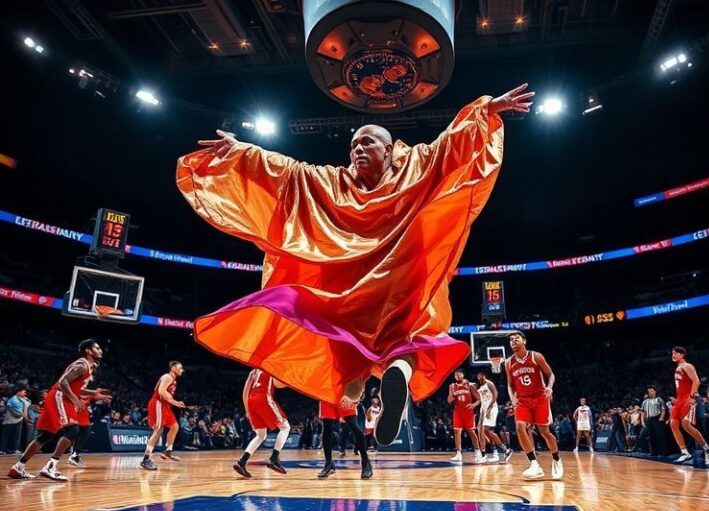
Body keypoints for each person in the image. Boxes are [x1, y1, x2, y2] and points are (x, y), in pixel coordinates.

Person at [176, 85, 535, 446]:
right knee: (409, 338)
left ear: (390, 151)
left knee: (346, 341)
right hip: (392, 283)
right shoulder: (343, 180)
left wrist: (243, 153)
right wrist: (486, 112)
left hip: (369, 283)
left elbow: (286, 174)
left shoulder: (400, 168)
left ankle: (362, 386)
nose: (358, 149)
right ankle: (389, 379)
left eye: (367, 143)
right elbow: (290, 173)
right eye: (354, 145)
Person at [8, 339, 102, 481]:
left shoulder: (87, 367)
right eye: (97, 348)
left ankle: (18, 467)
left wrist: (93, 393)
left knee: (45, 436)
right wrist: (75, 399)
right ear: (88, 351)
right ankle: (50, 467)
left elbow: (77, 389)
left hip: (60, 396)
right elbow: (63, 382)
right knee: (73, 430)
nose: (100, 350)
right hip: (60, 396)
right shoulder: (82, 365)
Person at [504, 330, 562, 480]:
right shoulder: (508, 363)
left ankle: (556, 459)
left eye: (517, 338)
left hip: (540, 397)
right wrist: (512, 398)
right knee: (519, 427)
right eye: (511, 339)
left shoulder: (536, 356)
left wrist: (550, 387)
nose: (513, 341)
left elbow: (551, 374)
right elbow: (510, 385)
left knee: (544, 431)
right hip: (522, 400)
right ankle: (534, 464)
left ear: (524, 341)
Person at [233, 368, 291, 477]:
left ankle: (242, 462)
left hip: (251, 401)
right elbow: (278, 384)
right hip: (264, 398)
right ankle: (274, 458)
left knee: (261, 435)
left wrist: (247, 410)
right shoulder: (270, 368)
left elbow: (245, 392)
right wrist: (290, 380)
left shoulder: (253, 371)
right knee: (285, 427)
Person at [669, 346, 709, 466]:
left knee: (686, 424)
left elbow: (696, 381)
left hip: (689, 397)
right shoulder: (678, 367)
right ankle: (684, 452)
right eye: (672, 353)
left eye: (675, 353)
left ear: (682, 355)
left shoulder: (687, 366)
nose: (672, 355)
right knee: (673, 424)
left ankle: (707, 449)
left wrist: (691, 396)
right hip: (680, 399)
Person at [140, 361, 186, 471]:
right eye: (180, 367)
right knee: (158, 431)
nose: (182, 370)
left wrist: (172, 402)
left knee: (175, 426)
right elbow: (161, 391)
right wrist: (175, 402)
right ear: (173, 367)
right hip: (158, 403)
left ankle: (168, 451)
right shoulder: (167, 376)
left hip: (165, 405)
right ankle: (146, 459)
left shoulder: (172, 380)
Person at [317, 399, 373, 480]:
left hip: (345, 395)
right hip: (327, 394)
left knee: (354, 426)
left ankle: (366, 462)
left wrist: (354, 394)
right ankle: (328, 464)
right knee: (327, 428)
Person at [447, 369, 483, 464]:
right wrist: (453, 395)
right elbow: (449, 400)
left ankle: (477, 451)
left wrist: (473, 405)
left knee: (471, 431)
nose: (457, 376)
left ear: (463, 374)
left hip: (468, 412)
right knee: (456, 432)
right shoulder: (452, 386)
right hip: (458, 411)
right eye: (455, 374)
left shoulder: (469, 385)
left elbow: (479, 399)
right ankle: (458, 453)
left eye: (459, 374)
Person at [476, 371, 509, 462]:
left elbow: (495, 395)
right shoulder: (480, 388)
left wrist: (489, 408)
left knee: (486, 429)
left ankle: (504, 448)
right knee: (480, 430)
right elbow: (479, 399)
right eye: (478, 376)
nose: (480, 377)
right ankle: (488, 453)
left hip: (491, 408)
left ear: (484, 375)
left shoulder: (489, 384)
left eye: (481, 375)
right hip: (483, 409)